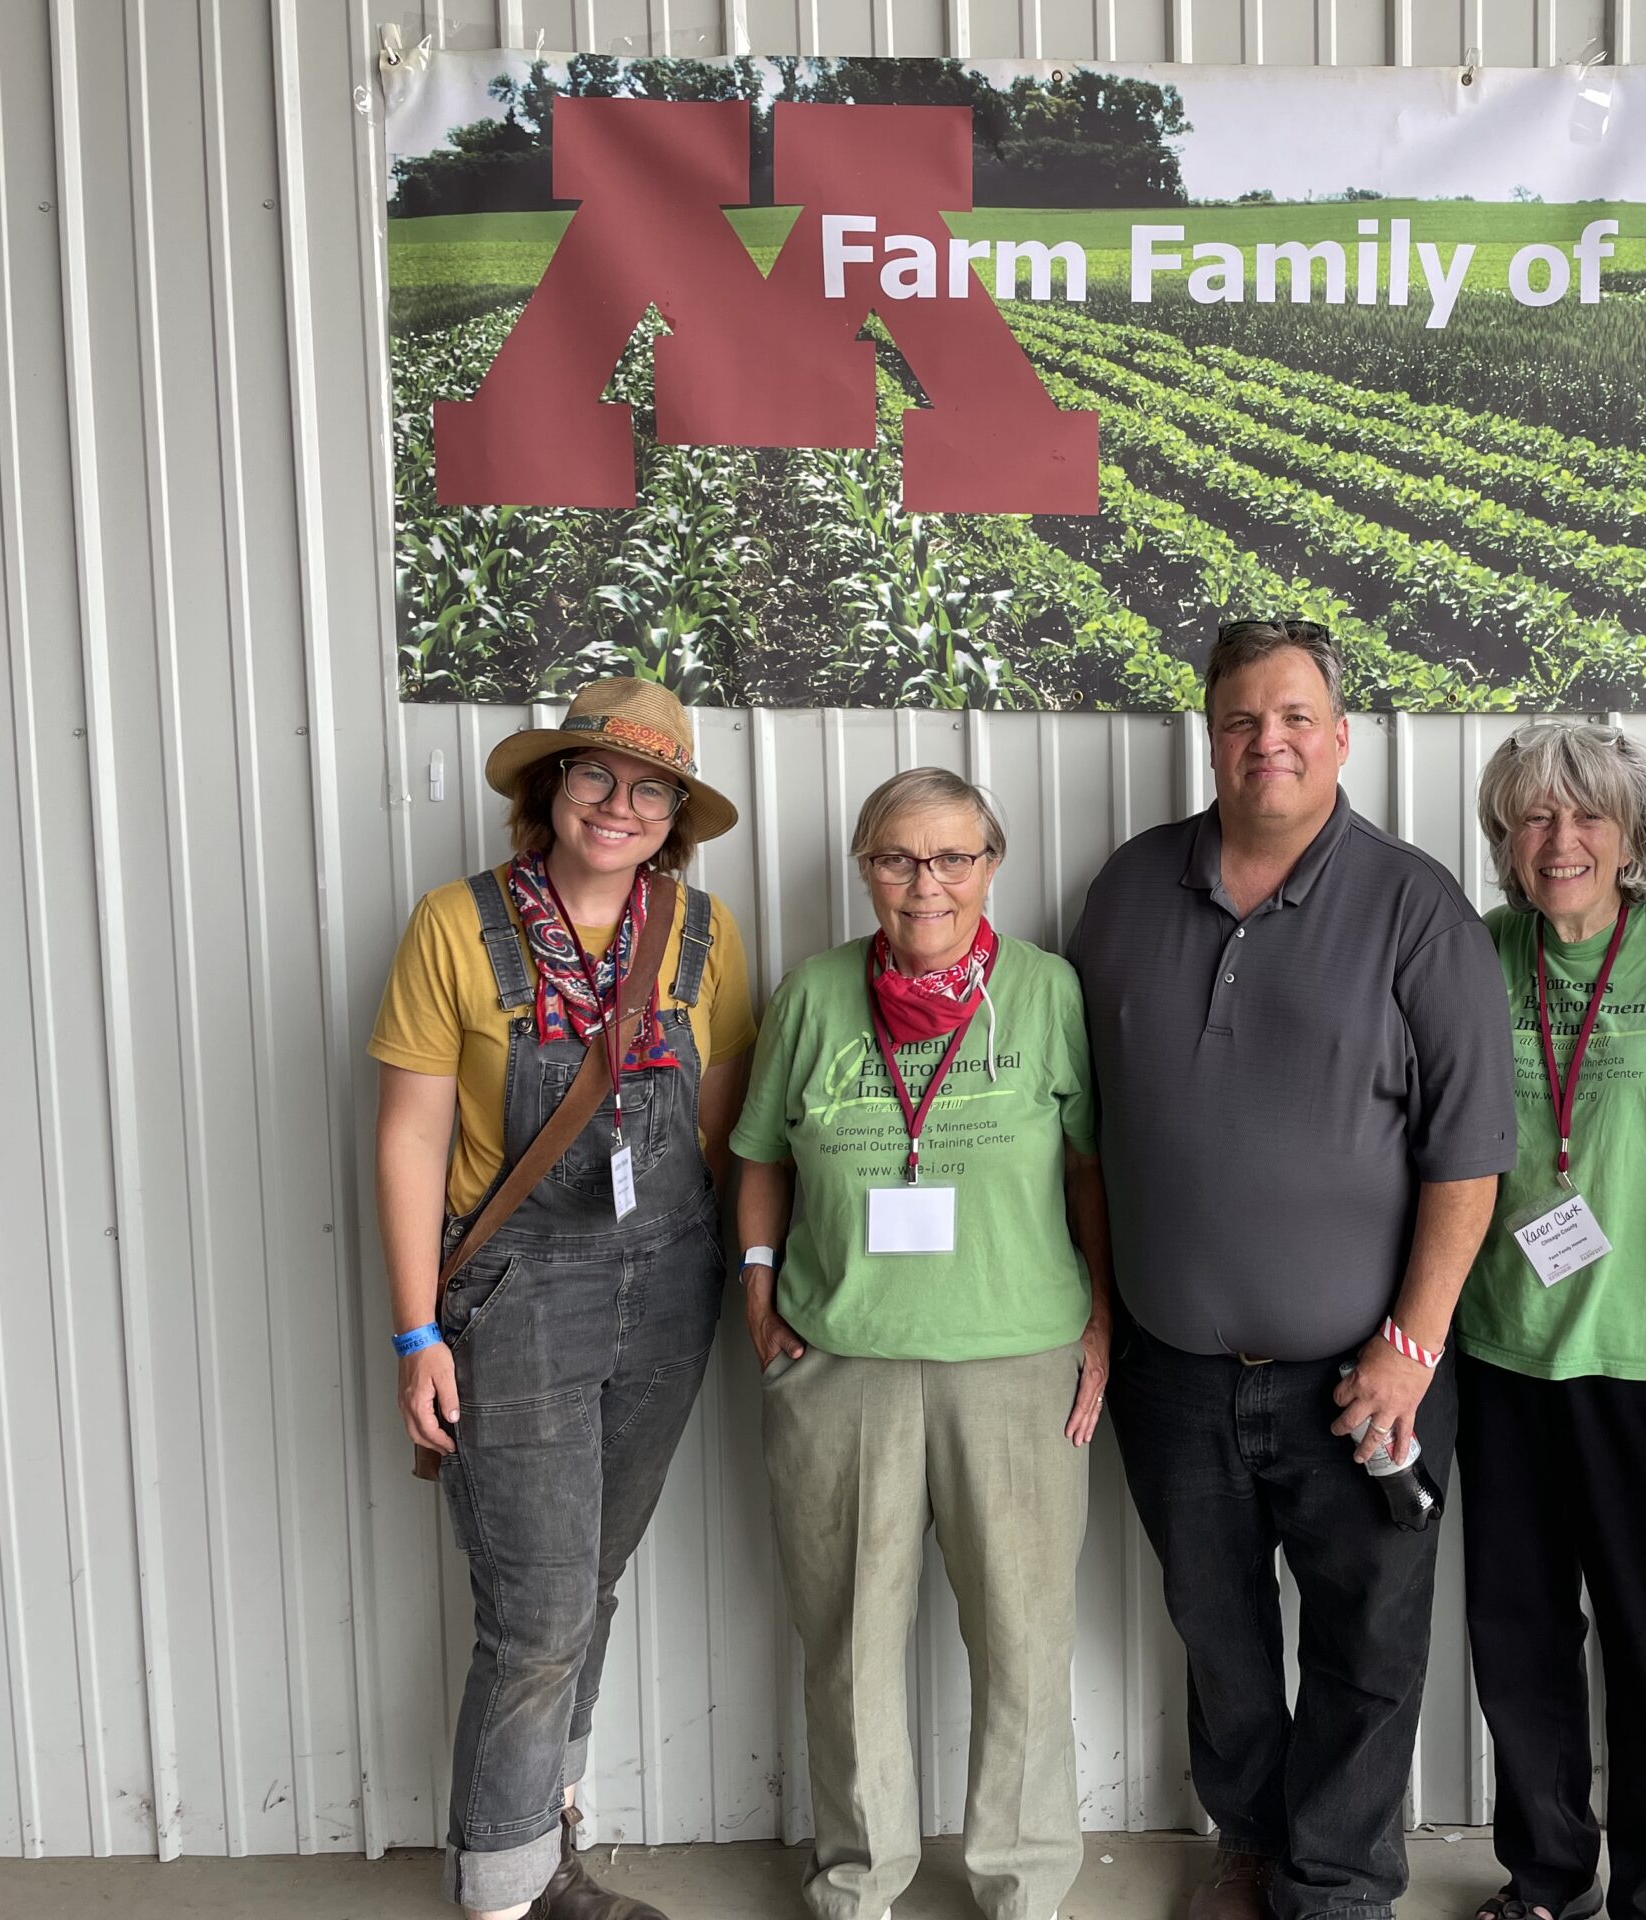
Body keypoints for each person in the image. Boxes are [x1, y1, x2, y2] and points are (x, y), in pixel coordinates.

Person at [1067, 619, 1517, 1920]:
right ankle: (1251, 1846)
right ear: (1210, 737)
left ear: (1341, 736)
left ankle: (1338, 1883)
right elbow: (1086, 1121)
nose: (1269, 742)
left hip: (1368, 1380)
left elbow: (1469, 1159)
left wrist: (1412, 1346)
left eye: (1295, 718)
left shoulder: (1415, 907)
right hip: (1176, 1375)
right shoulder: (1130, 891)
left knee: (1369, 1648)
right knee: (1219, 1634)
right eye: (1241, 720)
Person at [371, 676, 755, 1920]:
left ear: (674, 818)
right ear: (550, 788)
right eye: (595, 775)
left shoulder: (702, 933)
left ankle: (550, 1843)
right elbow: (410, 1142)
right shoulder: (454, 925)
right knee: (534, 1610)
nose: (619, 803)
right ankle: (504, 1892)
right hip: (519, 1291)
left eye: (651, 788)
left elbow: (717, 1123)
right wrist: (420, 1327)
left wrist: (745, 1271)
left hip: (668, 1281)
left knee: (589, 1580)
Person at [730, 766, 1111, 1920]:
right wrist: (756, 1282)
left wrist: (1100, 1317)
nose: (925, 883)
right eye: (898, 858)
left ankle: (1023, 1880)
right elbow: (760, 1155)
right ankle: (859, 1880)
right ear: (865, 870)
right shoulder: (811, 995)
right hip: (840, 1368)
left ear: (992, 867)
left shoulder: (1048, 993)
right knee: (847, 1646)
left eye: (952, 858)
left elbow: (1091, 1168)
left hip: (1017, 1367)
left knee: (1024, 1646)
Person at [1455, 722, 1646, 1920]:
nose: (1561, 839)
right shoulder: (1473, 956)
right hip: (1504, 1352)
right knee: (1520, 1637)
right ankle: (1544, 1876)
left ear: (1633, 832)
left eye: (1587, 816)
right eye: (1533, 817)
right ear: (1504, 838)